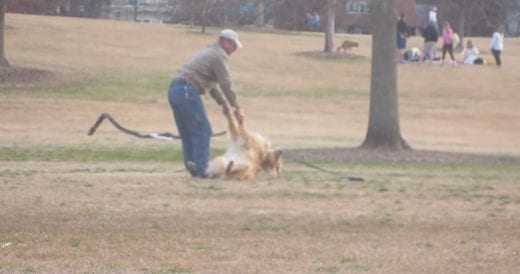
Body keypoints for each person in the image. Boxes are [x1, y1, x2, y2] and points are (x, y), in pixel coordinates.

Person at [167, 29, 244, 178]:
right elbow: (225, 83)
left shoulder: (209, 51)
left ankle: (193, 167)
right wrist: (237, 106)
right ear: (225, 42)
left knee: (188, 132)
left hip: (175, 89)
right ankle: (203, 170)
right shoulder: (219, 55)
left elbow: (212, 85)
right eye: (234, 46)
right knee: (203, 130)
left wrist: (223, 103)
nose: (234, 50)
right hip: (187, 91)